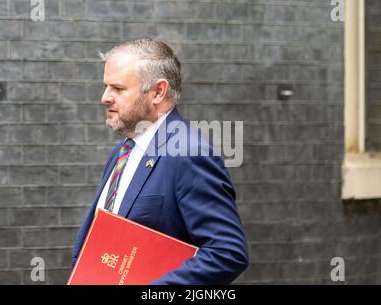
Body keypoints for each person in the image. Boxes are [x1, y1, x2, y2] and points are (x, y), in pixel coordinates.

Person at [71, 38, 249, 285]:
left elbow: (227, 253)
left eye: (118, 89)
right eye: (105, 86)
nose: (105, 97)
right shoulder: (123, 152)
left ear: (158, 91)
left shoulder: (188, 154)